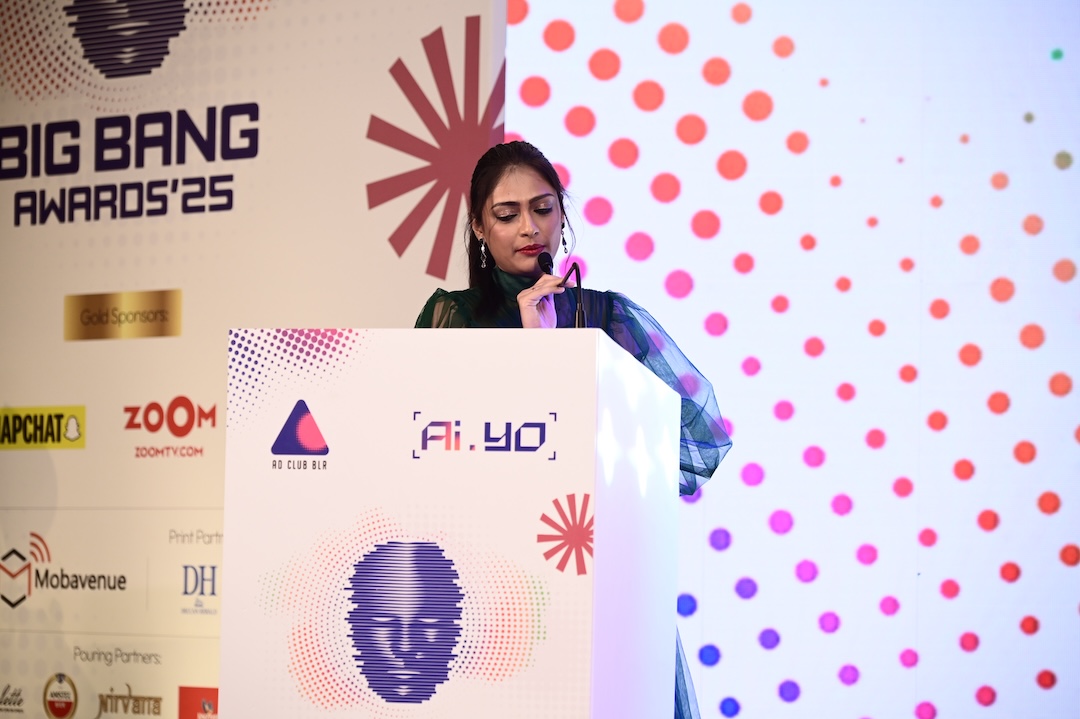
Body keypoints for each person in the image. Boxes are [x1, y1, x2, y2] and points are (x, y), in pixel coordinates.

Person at [415, 140, 732, 719]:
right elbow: (422, 446)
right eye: (507, 215)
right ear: (479, 228)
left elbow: (698, 439)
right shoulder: (452, 318)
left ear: (562, 215)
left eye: (543, 209)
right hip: (487, 571)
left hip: (593, 571)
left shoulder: (609, 317)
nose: (529, 228)